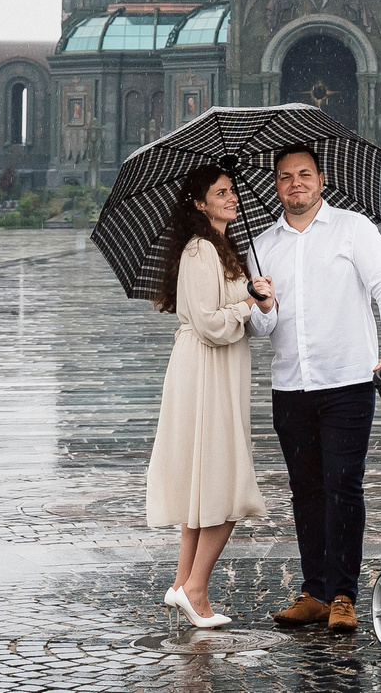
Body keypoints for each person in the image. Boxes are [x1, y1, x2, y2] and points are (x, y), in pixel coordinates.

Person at [250, 143, 381, 634]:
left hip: (347, 381)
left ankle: (343, 594)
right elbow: (262, 329)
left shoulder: (353, 229)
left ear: (321, 180)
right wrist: (263, 303)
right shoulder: (262, 245)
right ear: (275, 186)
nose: (294, 183)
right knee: (305, 489)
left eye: (303, 174)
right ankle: (314, 591)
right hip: (291, 385)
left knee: (342, 486)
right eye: (284, 177)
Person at [143, 164, 277, 628]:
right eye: (221, 193)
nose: (232, 197)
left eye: (232, 190)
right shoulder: (200, 251)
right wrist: (245, 304)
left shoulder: (223, 249)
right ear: (199, 204)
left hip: (216, 369)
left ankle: (182, 583)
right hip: (205, 369)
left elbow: (231, 312)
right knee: (226, 485)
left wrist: (258, 296)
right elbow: (210, 323)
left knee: (205, 481)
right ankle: (197, 590)